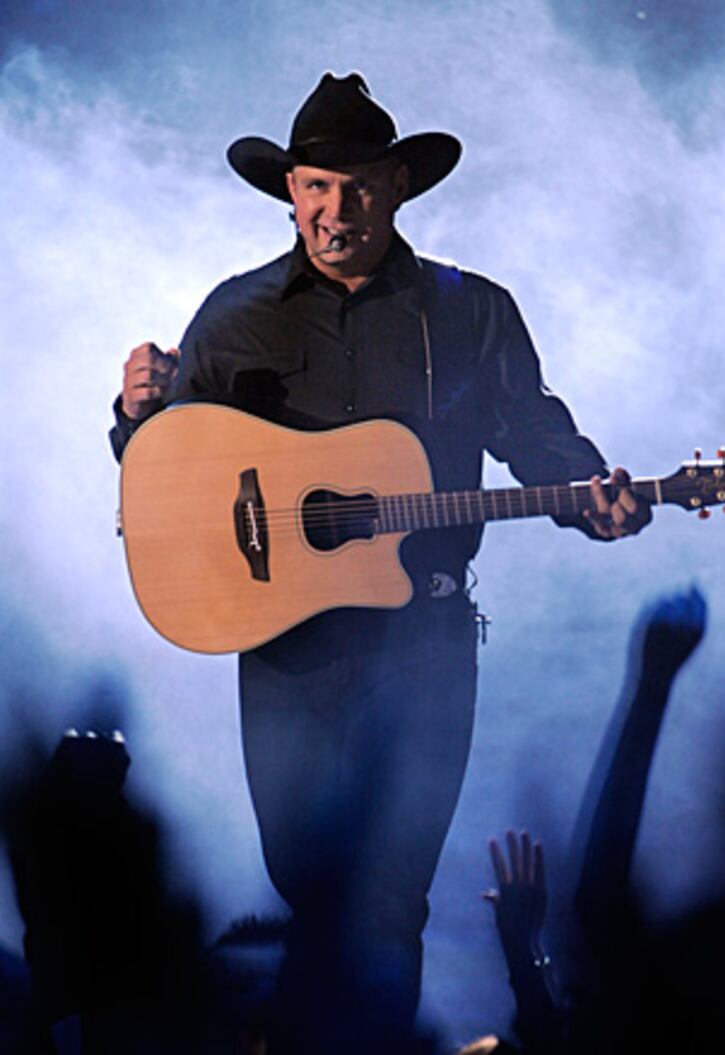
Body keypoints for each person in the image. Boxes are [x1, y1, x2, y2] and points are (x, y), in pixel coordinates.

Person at [109, 72, 650, 1038]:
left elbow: (535, 432)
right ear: (290, 192)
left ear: (399, 186)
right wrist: (133, 414)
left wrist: (591, 494)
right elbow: (164, 469)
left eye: (358, 186)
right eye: (317, 186)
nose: (336, 209)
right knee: (308, 885)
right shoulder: (236, 315)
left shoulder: (470, 310)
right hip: (286, 646)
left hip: (423, 639)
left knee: (389, 899)